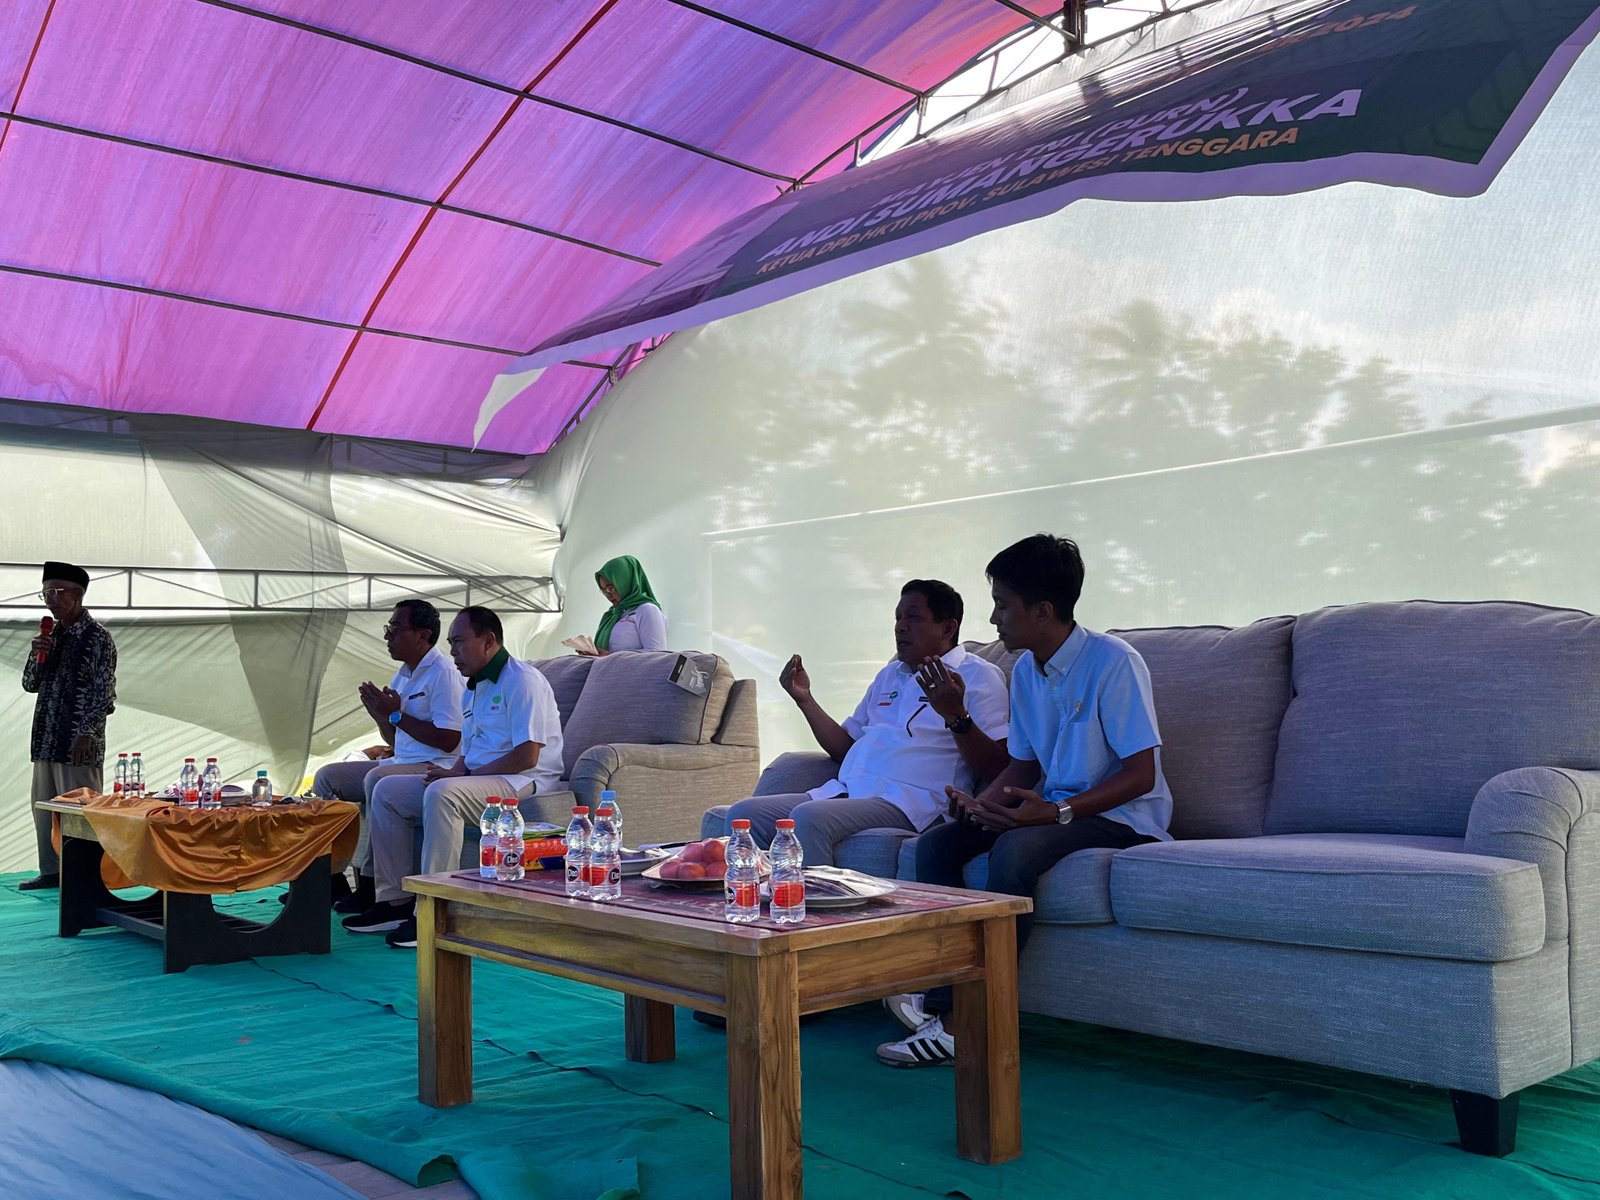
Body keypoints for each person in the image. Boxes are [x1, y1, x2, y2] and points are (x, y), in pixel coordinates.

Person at [876, 535, 1172, 1068]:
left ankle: (970, 1024)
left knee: (1016, 851)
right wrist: (981, 804)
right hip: (1048, 808)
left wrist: (1057, 812)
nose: (993, 620)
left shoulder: (1114, 662)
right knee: (938, 844)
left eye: (1003, 606)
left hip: (1120, 815)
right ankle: (941, 1006)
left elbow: (1141, 775)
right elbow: (1024, 765)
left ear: (1042, 611)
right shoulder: (1028, 672)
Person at [722, 579, 1009, 867]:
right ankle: (760, 896)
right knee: (743, 815)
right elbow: (845, 747)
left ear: (947, 628)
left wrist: (955, 714)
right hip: (851, 792)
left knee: (809, 818)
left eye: (913, 617)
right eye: (897, 617)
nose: (900, 626)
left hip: (914, 803)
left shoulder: (978, 676)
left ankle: (818, 898)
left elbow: (998, 766)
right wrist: (805, 700)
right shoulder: (890, 674)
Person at [343, 606, 563, 949]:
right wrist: (454, 771)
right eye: (451, 643)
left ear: (488, 640)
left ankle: (434, 910)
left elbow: (527, 756)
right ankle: (393, 901)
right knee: (386, 789)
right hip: (482, 777)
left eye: (459, 642)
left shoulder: (523, 680)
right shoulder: (472, 687)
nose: (453, 652)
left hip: (522, 779)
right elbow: (469, 750)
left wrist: (464, 776)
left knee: (443, 793)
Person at [309, 599, 464, 913]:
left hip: (435, 764)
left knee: (377, 777)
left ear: (422, 635)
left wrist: (396, 715)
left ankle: (377, 889)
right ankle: (331, 879)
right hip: (401, 761)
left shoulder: (443, 673)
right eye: (388, 627)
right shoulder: (403, 675)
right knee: (326, 777)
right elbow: (395, 739)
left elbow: (450, 740)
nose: (387, 635)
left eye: (395, 628)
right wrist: (382, 717)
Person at [21, 562, 118, 891]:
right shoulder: (50, 637)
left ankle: (85, 876)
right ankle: (51, 872)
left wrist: (86, 732)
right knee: (44, 808)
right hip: (47, 738)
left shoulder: (97, 638)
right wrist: (36, 655)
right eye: (45, 594)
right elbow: (30, 684)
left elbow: (105, 693)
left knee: (80, 811)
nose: (50, 599)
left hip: (78, 742)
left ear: (77, 594)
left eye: (56, 592)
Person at [578, 555, 666, 655]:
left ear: (625, 582)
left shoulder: (647, 610)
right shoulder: (612, 615)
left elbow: (657, 654)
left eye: (611, 587)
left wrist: (610, 657)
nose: (609, 594)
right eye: (603, 590)